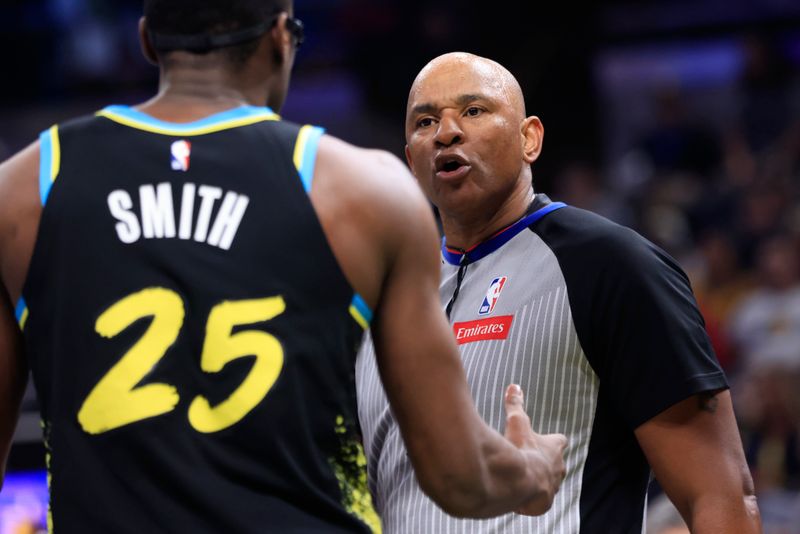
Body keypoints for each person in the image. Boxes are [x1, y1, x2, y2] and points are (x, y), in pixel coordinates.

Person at [0, 5, 568, 532]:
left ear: (148, 41)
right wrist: (533, 471)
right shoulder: (359, 192)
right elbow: (459, 477)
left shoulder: (27, 188)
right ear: (279, 38)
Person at [356, 52, 762, 533]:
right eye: (425, 121)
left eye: (473, 111)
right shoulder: (381, 299)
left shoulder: (613, 265)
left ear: (530, 138)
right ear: (411, 159)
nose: (446, 132)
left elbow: (721, 495)